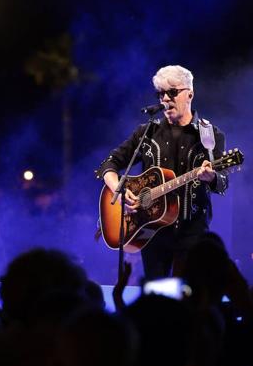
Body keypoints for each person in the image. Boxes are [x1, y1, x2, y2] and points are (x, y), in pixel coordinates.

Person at [96, 65, 228, 280]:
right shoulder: (147, 132)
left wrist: (211, 176)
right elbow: (109, 164)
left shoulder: (210, 135)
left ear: (190, 94)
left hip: (192, 231)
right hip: (152, 232)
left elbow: (223, 183)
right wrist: (118, 189)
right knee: (156, 296)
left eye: (172, 92)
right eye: (161, 94)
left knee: (187, 295)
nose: (165, 99)